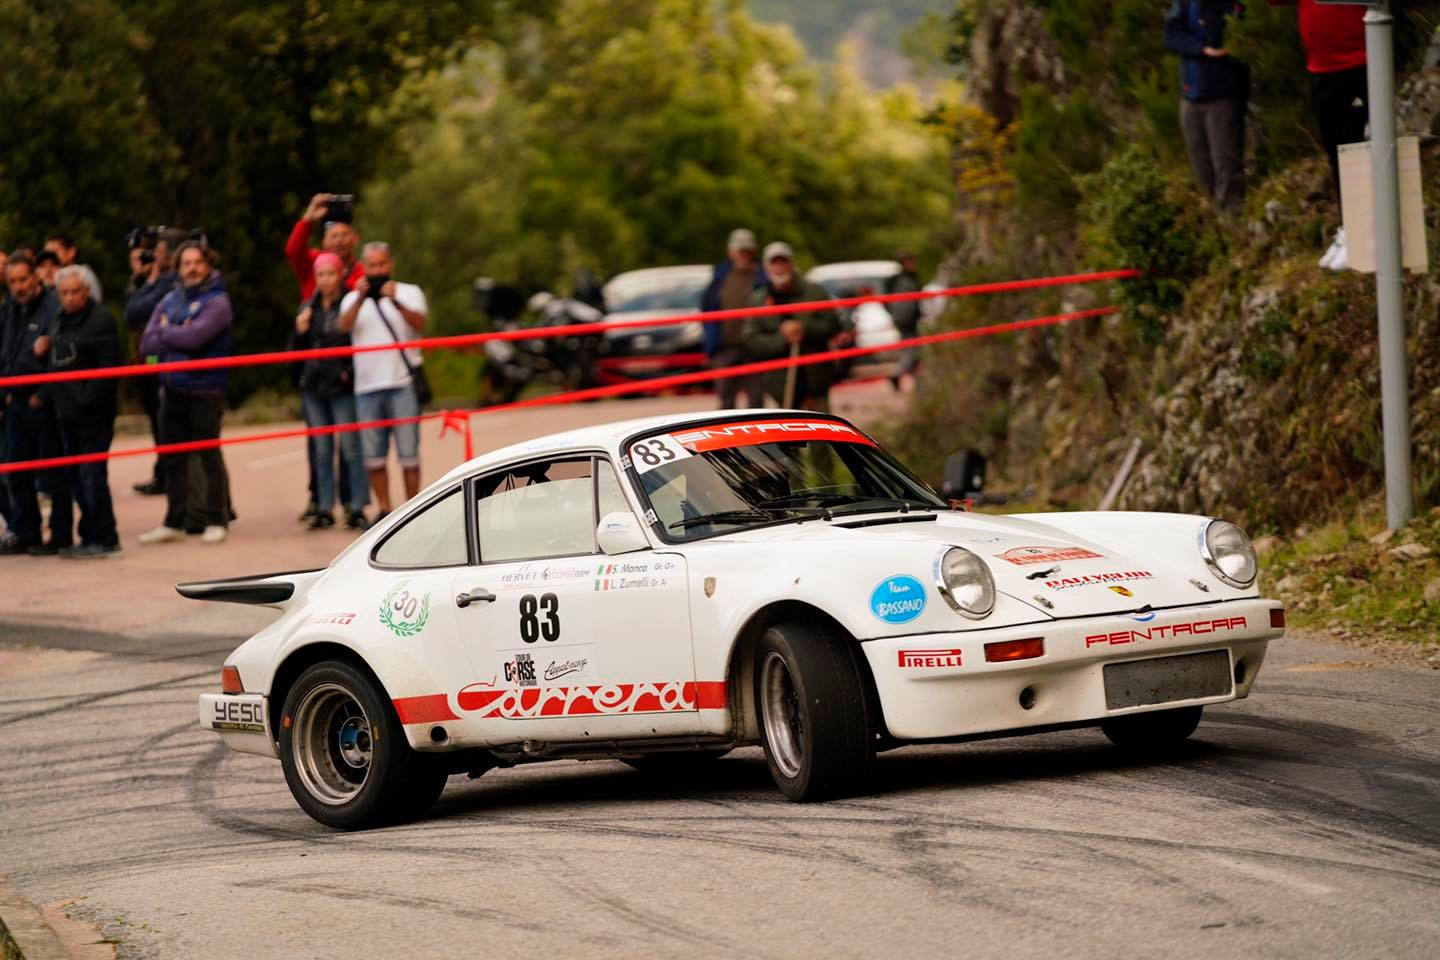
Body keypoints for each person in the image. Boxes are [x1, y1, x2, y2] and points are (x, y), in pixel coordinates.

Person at [137, 241, 233, 545]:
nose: (191, 268)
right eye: (185, 263)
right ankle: (173, 522)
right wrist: (179, 331)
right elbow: (146, 344)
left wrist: (168, 331)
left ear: (208, 264)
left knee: (208, 455)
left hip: (206, 388)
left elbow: (195, 338)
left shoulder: (219, 302)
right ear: (178, 268)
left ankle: (216, 519)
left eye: (197, 262)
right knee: (172, 459)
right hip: (172, 387)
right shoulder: (169, 298)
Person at [1268, 1, 1367, 269]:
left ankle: (1363, 236)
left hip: (1358, 61)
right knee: (1335, 153)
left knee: (1355, 149)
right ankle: (1350, 229)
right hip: (1321, 67)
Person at [339, 241, 427, 520]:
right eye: (371, 266)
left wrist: (396, 301)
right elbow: (343, 326)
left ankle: (414, 512)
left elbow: (419, 323)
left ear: (390, 264)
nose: (377, 271)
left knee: (409, 454)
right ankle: (386, 511)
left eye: (381, 265)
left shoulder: (409, 292)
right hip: (366, 387)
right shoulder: (352, 298)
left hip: (402, 384)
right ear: (364, 267)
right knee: (373, 457)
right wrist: (363, 297)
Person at [43, 266, 121, 557]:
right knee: (76, 477)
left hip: (94, 414)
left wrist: (85, 398)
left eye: (75, 291)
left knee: (92, 475)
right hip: (66, 413)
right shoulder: (58, 320)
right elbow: (55, 360)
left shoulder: (100, 320)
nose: (70, 298)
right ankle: (90, 535)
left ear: (87, 291)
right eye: (64, 293)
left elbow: (109, 367)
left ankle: (105, 537)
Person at [0, 254, 73, 555]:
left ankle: (60, 535)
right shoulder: (9, 311)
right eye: (13, 281)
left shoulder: (52, 309)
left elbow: (58, 359)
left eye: (23, 280)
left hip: (43, 403)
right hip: (13, 402)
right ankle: (26, 531)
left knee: (52, 473)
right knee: (15, 469)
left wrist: (42, 394)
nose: (19, 286)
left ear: (35, 278)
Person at [296, 253, 369, 530]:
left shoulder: (350, 303)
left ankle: (356, 506)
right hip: (313, 385)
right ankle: (325, 507)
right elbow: (298, 349)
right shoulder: (308, 306)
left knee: (351, 448)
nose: (325, 279)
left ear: (340, 275)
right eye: (320, 275)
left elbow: (360, 338)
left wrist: (347, 372)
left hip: (342, 384)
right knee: (322, 450)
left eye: (330, 273)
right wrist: (300, 331)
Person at [1165, 1, 1250, 216]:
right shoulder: (1185, 3)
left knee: (1227, 167)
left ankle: (1234, 224)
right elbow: (1172, 35)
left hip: (1222, 93)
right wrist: (1199, 48)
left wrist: (1201, 39)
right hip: (1191, 94)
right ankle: (1218, 229)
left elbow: (1215, 35)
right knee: (1202, 171)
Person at [124, 228, 186, 496]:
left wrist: (149, 283)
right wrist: (140, 279)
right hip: (147, 360)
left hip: (165, 363)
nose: (153, 256)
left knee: (169, 425)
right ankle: (163, 474)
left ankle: (172, 479)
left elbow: (136, 311)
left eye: (158, 252)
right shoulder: (156, 280)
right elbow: (130, 313)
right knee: (156, 421)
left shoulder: (170, 283)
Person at [743, 242, 840, 412]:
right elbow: (751, 341)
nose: (779, 267)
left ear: (792, 264)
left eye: (783, 262)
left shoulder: (815, 292)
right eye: (774, 263)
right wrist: (782, 337)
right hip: (780, 383)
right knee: (791, 433)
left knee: (821, 430)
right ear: (766, 267)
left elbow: (832, 325)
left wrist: (804, 327)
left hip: (815, 379)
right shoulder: (757, 300)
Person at [700, 228, 767, 409]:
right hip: (724, 348)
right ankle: (728, 438)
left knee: (756, 402)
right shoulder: (719, 279)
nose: (744, 255)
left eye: (748, 251)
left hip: (754, 349)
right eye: (740, 250)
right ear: (731, 252)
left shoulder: (763, 277)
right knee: (725, 402)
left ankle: (758, 437)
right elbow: (707, 312)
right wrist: (710, 346)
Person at [287, 193, 364, 299]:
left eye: (345, 234)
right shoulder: (313, 262)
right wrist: (308, 217)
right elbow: (293, 250)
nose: (339, 240)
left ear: (355, 239)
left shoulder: (364, 273)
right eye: (334, 236)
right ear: (324, 241)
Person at [885, 252, 923, 391]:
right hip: (908, 319)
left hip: (904, 318)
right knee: (911, 349)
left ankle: (910, 377)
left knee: (911, 348)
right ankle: (899, 374)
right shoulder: (907, 279)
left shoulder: (895, 280)